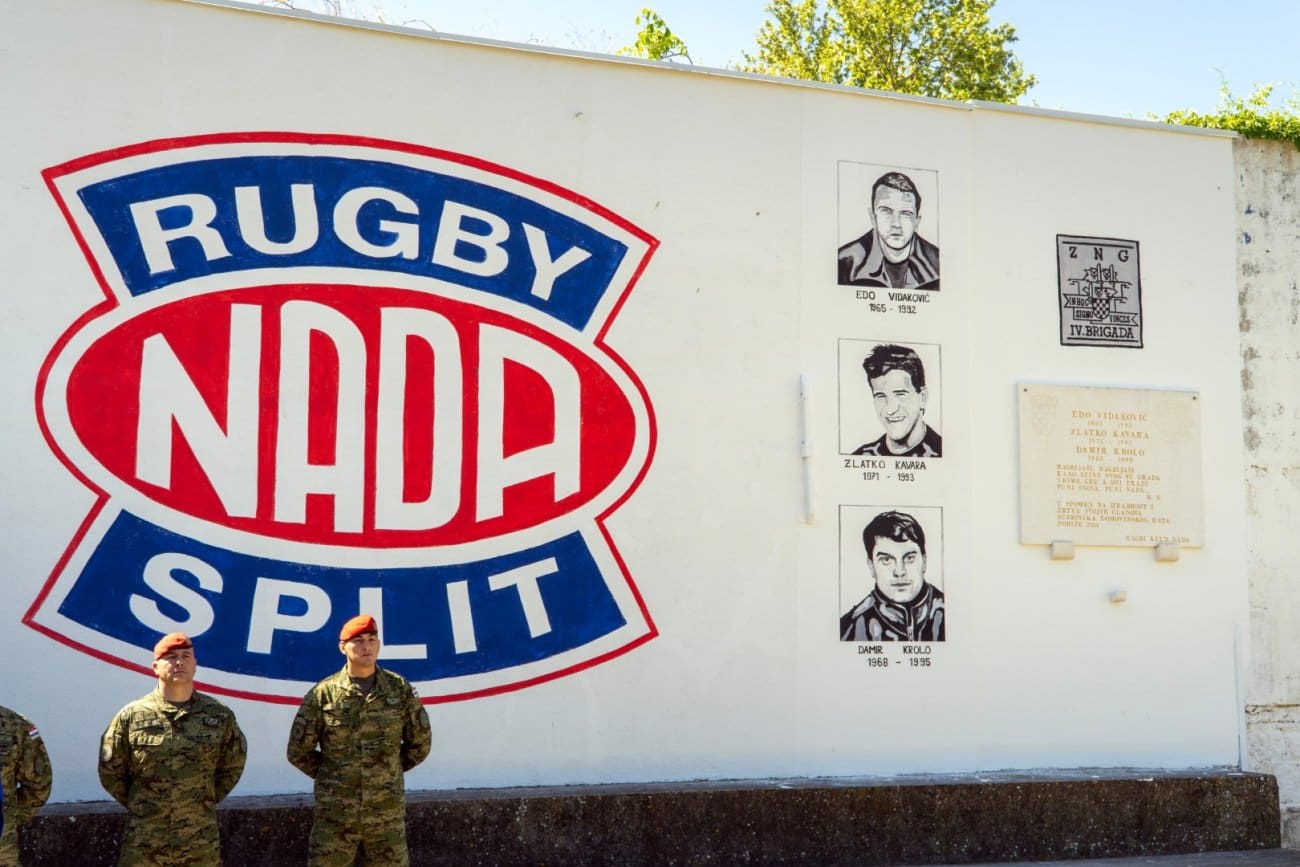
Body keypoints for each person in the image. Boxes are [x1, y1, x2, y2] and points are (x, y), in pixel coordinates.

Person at [288, 614, 432, 866]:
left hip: (385, 819)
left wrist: (386, 771)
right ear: (343, 647)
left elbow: (420, 743)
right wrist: (335, 776)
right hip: (335, 819)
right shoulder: (323, 694)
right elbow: (298, 751)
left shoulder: (399, 690)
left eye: (372, 639)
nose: (367, 646)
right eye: (358, 641)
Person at [98, 633, 247, 867]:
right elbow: (111, 772)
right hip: (145, 844)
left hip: (199, 844)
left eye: (186, 656)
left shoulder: (218, 716)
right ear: (155, 667)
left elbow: (232, 766)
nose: (179, 662)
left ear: (195, 664)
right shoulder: (132, 717)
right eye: (171, 657)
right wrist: (146, 804)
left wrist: (195, 803)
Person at [841, 510, 945, 642]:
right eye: (886, 559)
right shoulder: (849, 628)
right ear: (871, 566)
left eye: (909, 558)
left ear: (924, 562)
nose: (899, 571)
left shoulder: (951, 612)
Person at [838, 170, 940, 290]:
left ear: (917, 221)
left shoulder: (937, 262)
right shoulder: (845, 263)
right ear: (873, 217)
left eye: (906, 213)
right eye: (886, 211)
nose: (896, 224)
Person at [852, 343, 942, 457]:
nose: (890, 409)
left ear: (922, 398)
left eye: (900, 394)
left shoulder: (944, 454)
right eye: (881, 396)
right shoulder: (861, 456)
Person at [0, 706, 52, 866]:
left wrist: (10, 817)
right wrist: (9, 817)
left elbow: (39, 786)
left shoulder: (19, 726)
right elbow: (39, 788)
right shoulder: (17, 724)